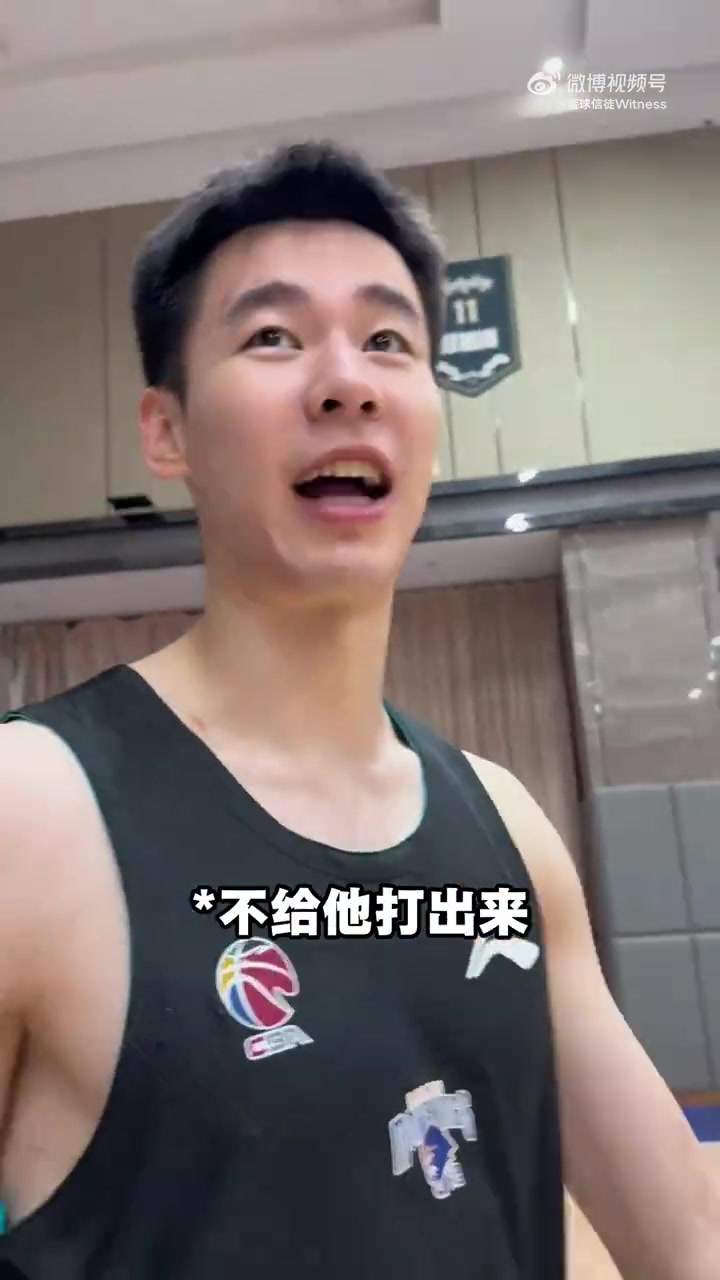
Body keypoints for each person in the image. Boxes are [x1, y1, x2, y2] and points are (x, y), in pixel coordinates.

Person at [0, 141, 717, 1280]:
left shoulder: (506, 830)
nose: (347, 381)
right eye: (273, 337)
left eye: (388, 340)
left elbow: (688, 1238)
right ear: (166, 430)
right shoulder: (31, 809)